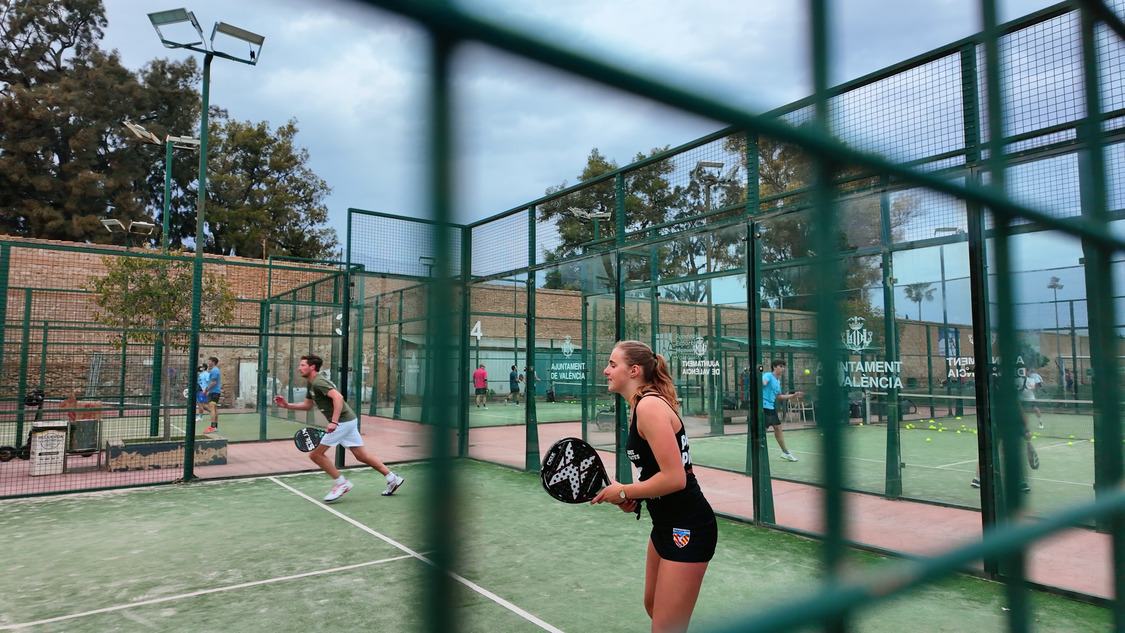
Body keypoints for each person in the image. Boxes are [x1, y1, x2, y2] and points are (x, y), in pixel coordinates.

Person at [591, 340, 716, 633]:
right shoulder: (639, 406)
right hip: (664, 524)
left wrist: (624, 491)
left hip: (688, 526)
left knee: (666, 627)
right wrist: (632, 497)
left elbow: (676, 478)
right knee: (653, 606)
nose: (606, 370)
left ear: (634, 371)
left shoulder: (649, 406)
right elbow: (654, 472)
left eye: (612, 364)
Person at [274, 354, 404, 501]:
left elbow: (338, 397)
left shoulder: (319, 382)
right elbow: (308, 405)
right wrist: (287, 406)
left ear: (312, 367)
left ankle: (342, 483)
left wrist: (334, 422)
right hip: (348, 420)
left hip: (342, 422)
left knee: (315, 455)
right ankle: (392, 478)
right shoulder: (312, 383)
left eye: (302, 365)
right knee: (361, 455)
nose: (299, 368)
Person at [762, 359, 804, 462]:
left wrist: (793, 395)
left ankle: (785, 453)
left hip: (771, 408)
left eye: (784, 367)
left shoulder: (777, 381)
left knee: (778, 428)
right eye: (780, 366)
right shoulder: (768, 375)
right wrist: (761, 381)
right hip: (764, 407)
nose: (783, 369)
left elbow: (779, 396)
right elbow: (763, 383)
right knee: (763, 430)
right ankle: (757, 452)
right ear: (774, 367)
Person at [202, 357, 222, 433]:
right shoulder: (214, 370)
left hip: (214, 392)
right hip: (213, 392)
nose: (208, 362)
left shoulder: (215, 371)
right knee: (214, 408)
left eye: (209, 361)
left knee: (212, 408)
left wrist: (207, 390)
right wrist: (208, 391)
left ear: (213, 362)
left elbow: (213, 382)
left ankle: (212, 426)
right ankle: (215, 426)